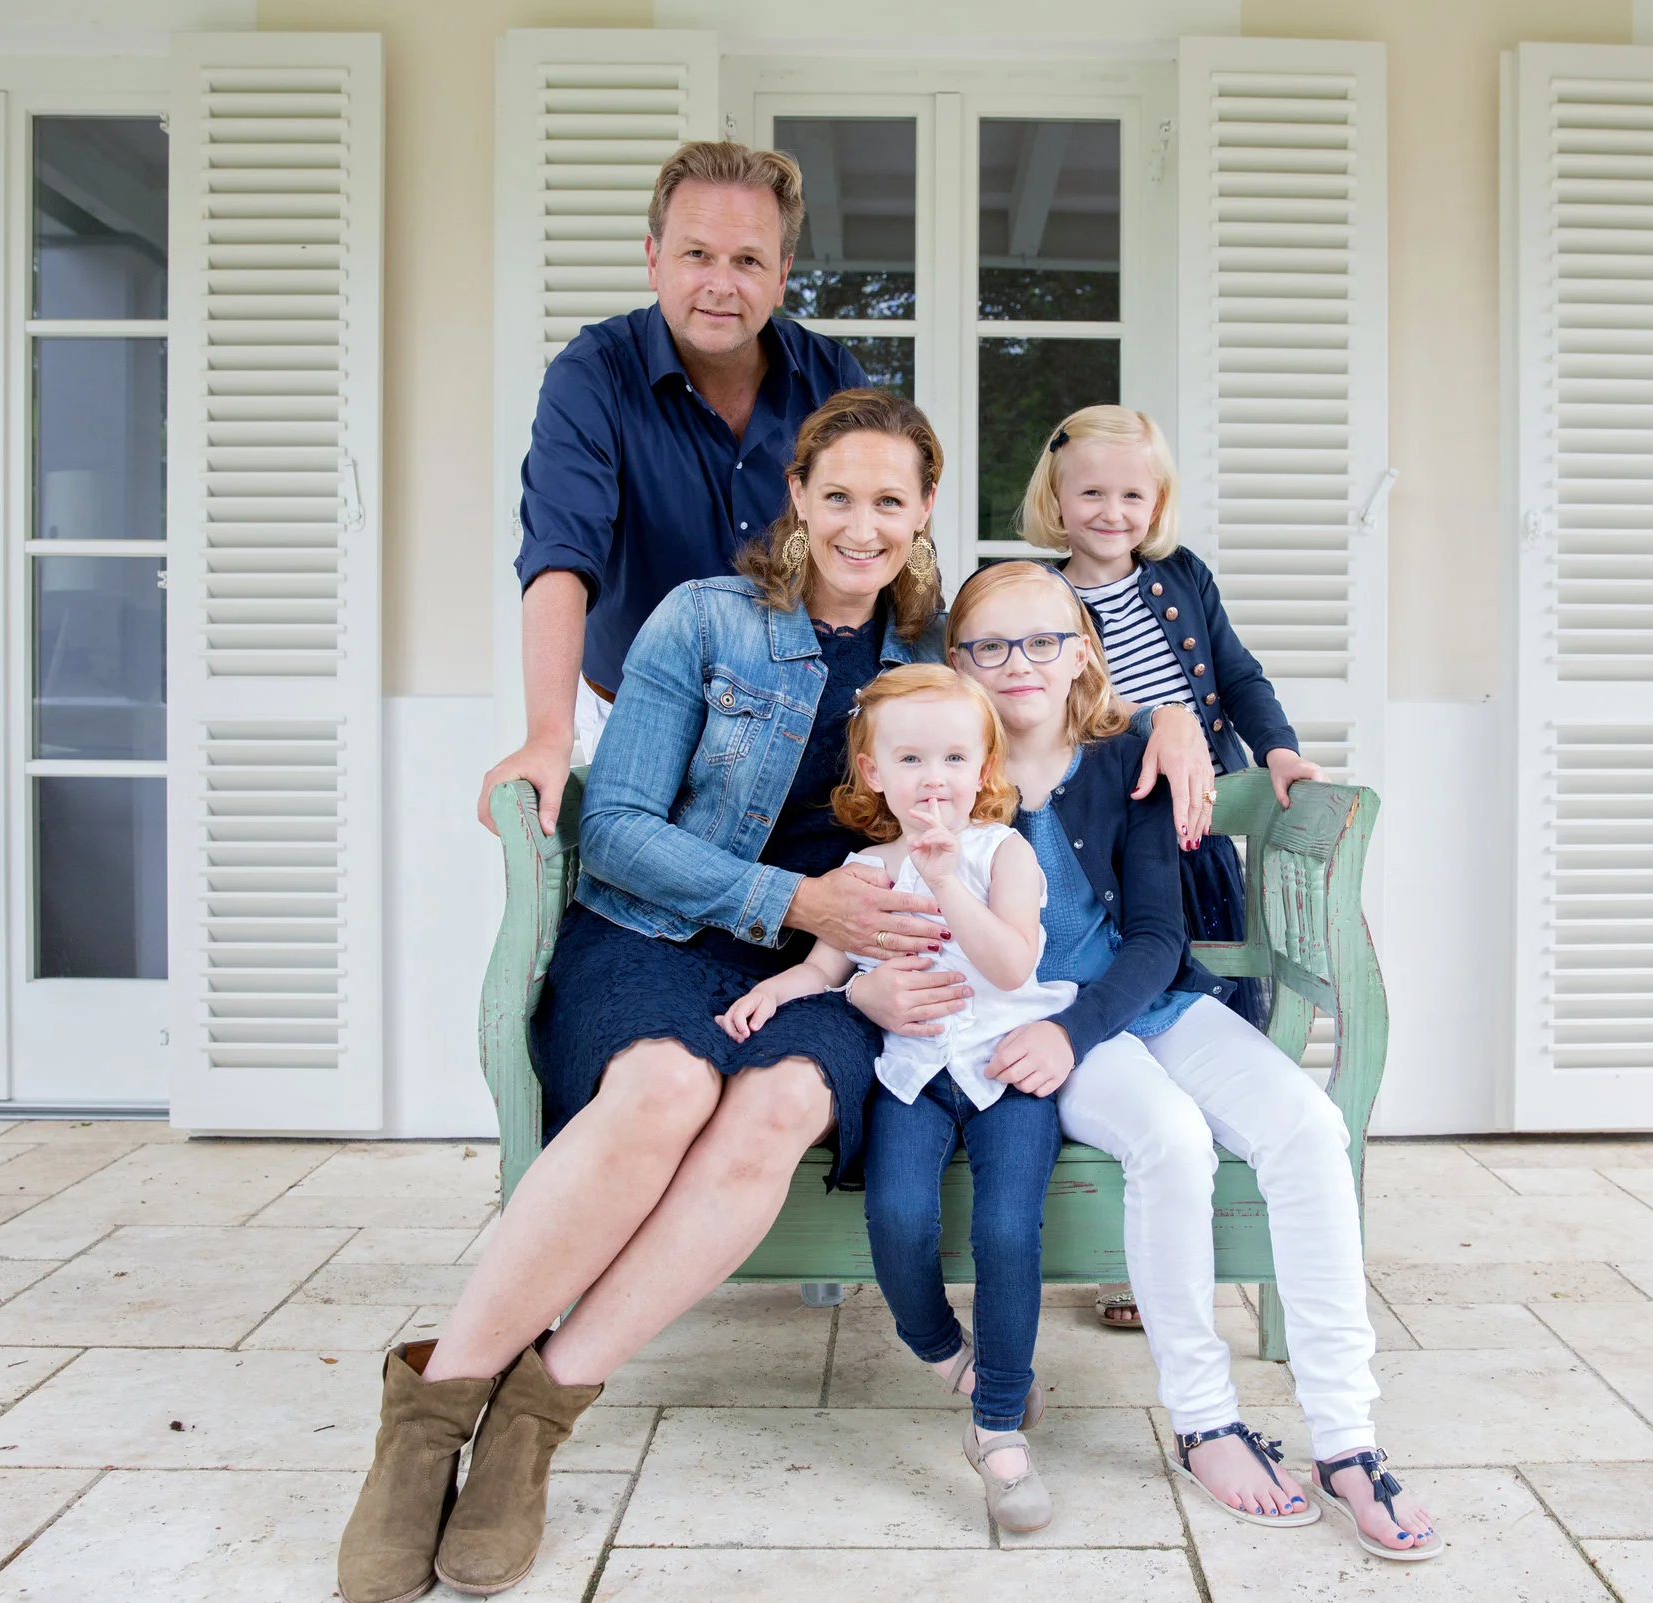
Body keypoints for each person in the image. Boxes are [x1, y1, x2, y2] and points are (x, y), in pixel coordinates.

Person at [337, 390, 949, 1603]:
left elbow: (1058, 709)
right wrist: (790, 898)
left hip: (821, 971)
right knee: (665, 1083)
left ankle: (535, 1417)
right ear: (798, 496)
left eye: (890, 500)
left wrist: (1191, 738)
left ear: (925, 510)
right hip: (656, 930)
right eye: (838, 495)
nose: (862, 525)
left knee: (773, 1108)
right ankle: (426, 1421)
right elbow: (611, 830)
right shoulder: (704, 620)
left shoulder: (926, 662)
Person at [950, 561, 1442, 1564]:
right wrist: (1061, 1034)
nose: (1019, 663)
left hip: (1139, 1003)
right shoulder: (952, 760)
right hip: (1039, 1021)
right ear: (954, 659)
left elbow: (1154, 933)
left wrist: (1170, 716)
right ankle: (1205, 1418)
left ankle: (1346, 1434)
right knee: (1168, 1140)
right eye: (988, 645)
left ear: (1084, 648)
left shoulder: (1123, 755)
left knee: (1307, 1125)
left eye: (1044, 638)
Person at [720, 663, 1067, 1533]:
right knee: (901, 1215)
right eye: (910, 759)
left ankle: (999, 1430)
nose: (934, 778)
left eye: (954, 757)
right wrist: (784, 992)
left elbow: (1012, 965)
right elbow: (825, 965)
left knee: (1002, 1228)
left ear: (986, 767)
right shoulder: (863, 870)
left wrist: (949, 877)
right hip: (912, 1073)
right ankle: (937, 1343)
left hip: (1005, 1073)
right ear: (874, 771)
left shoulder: (1006, 853)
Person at [1022, 404, 1325, 1326]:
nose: (1111, 512)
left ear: (1156, 504)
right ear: (1056, 501)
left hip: (1192, 841)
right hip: (1102, 844)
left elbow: (1238, 677)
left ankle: (1230, 1199)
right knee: (1120, 1027)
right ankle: (1126, 1256)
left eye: (1132, 494)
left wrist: (1275, 750)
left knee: (1213, 1010)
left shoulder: (1182, 577)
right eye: (1091, 493)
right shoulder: (1038, 597)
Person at [477, 139, 871, 833]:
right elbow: (561, 555)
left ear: (782, 276)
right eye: (697, 255)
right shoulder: (593, 374)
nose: (722, 284)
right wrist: (549, 733)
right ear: (654, 258)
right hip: (629, 718)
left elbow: (883, 550)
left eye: (748, 260)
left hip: (798, 730)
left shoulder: (832, 376)